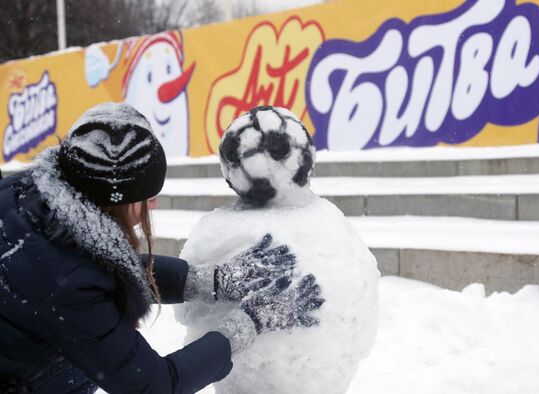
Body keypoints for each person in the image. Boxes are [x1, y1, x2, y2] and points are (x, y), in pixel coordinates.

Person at [0, 102, 324, 393]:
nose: (152, 205)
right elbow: (154, 385)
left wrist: (209, 280)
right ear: (115, 201)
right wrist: (247, 324)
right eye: (145, 196)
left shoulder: (25, 196)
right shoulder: (66, 288)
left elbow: (85, 268)